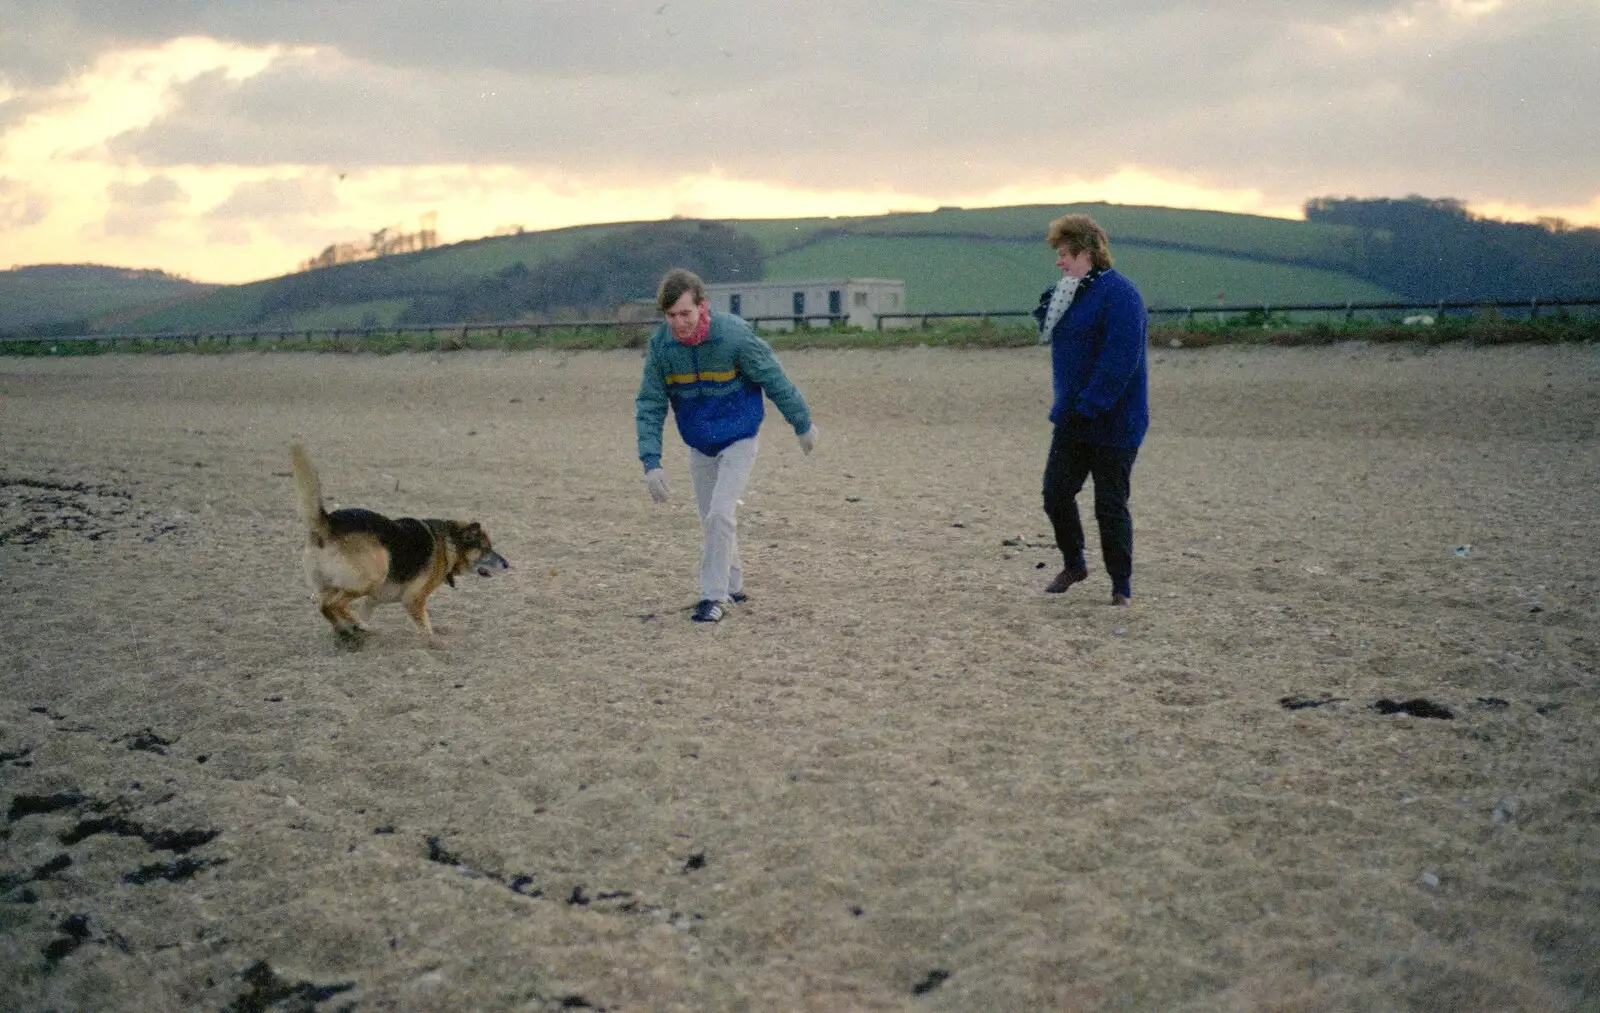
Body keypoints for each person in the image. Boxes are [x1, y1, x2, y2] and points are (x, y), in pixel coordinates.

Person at [636, 267, 818, 623]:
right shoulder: (661, 348)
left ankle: (713, 598)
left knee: (720, 513)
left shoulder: (734, 335)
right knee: (712, 520)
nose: (678, 323)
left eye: (685, 313)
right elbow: (650, 404)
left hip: (740, 437)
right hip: (700, 443)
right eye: (671, 316)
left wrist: (802, 423)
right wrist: (651, 461)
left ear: (703, 306)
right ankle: (733, 587)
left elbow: (773, 377)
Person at [1033, 214, 1149, 606]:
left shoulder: (1120, 294)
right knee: (1055, 494)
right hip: (1072, 416)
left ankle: (1121, 586)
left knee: (1109, 504)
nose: (1059, 262)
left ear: (1086, 252)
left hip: (1116, 420)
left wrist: (1092, 405)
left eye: (1064, 254)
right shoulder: (1069, 293)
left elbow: (1121, 359)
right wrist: (1073, 409)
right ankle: (1074, 564)